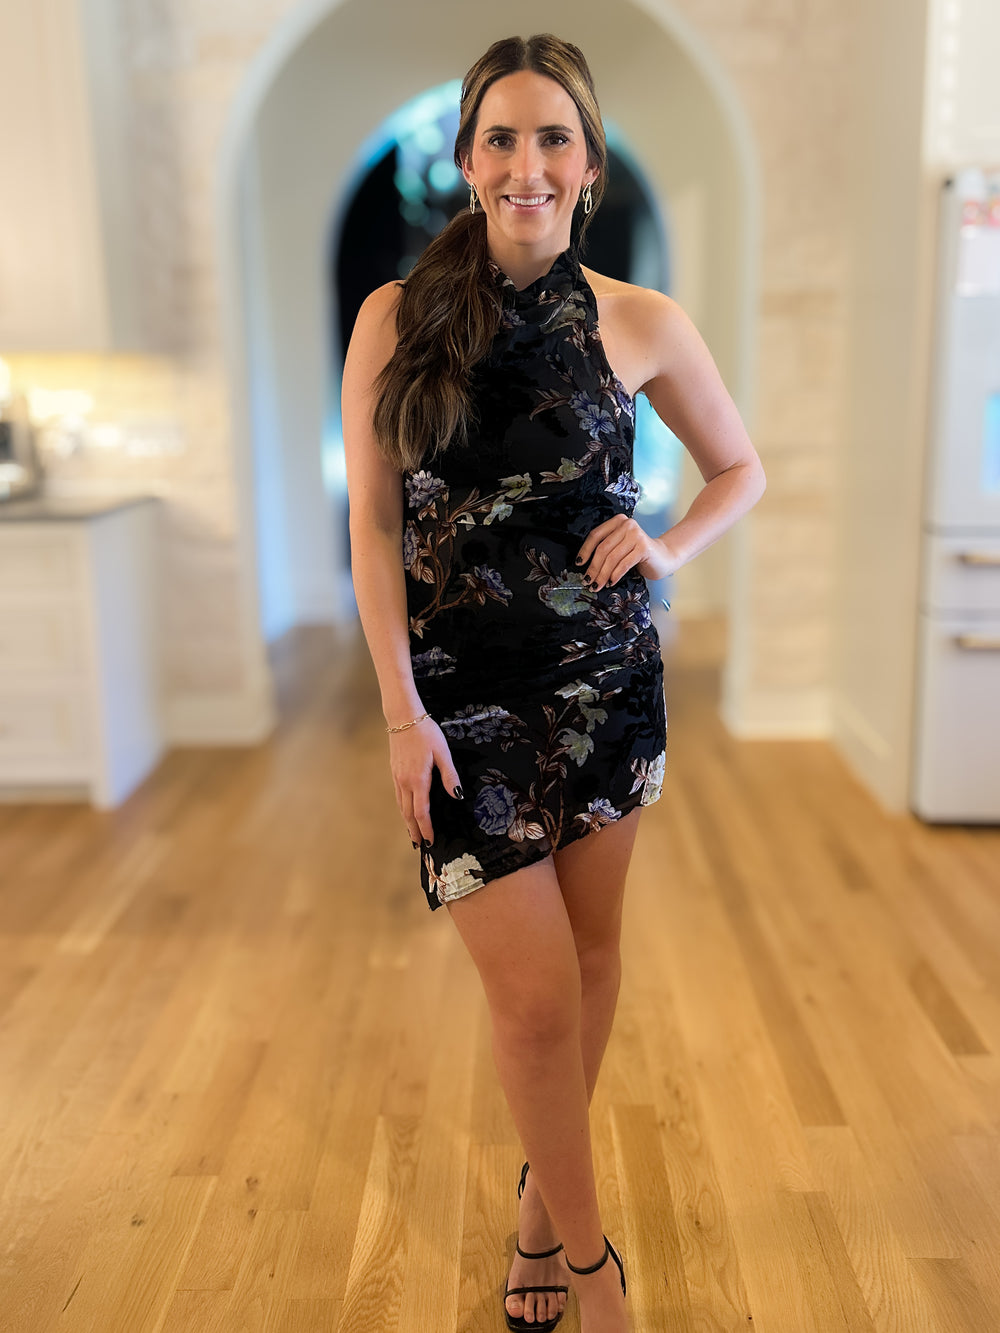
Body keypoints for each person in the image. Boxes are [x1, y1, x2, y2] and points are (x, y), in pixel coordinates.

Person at [342, 33, 765, 1332]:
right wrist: (401, 712)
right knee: (531, 1005)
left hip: (604, 690)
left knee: (589, 959)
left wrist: (668, 545)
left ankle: (540, 1207)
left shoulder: (641, 320)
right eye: (502, 138)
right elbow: (372, 525)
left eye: (553, 139)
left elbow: (740, 469)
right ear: (469, 161)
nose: (527, 164)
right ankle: (591, 1268)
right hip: (461, 708)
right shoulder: (395, 319)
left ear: (589, 166)